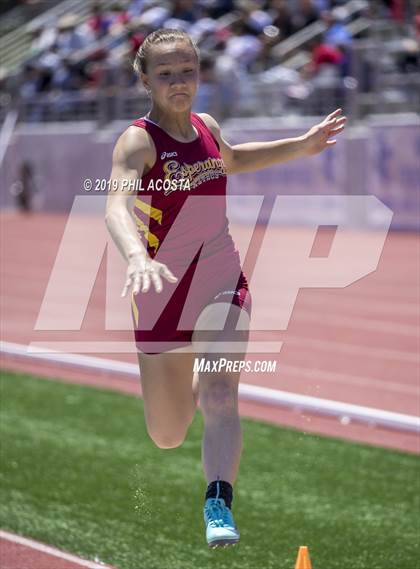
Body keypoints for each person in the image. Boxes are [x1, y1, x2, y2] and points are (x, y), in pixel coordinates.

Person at [105, 28, 346, 549]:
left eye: (187, 71)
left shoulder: (207, 127)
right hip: (160, 291)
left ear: (199, 74)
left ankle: (218, 502)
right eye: (165, 74)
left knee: (220, 393)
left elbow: (232, 160)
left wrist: (301, 147)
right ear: (145, 79)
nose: (179, 82)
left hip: (220, 279)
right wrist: (135, 256)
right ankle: (191, 373)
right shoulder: (138, 141)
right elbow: (115, 205)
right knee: (167, 434)